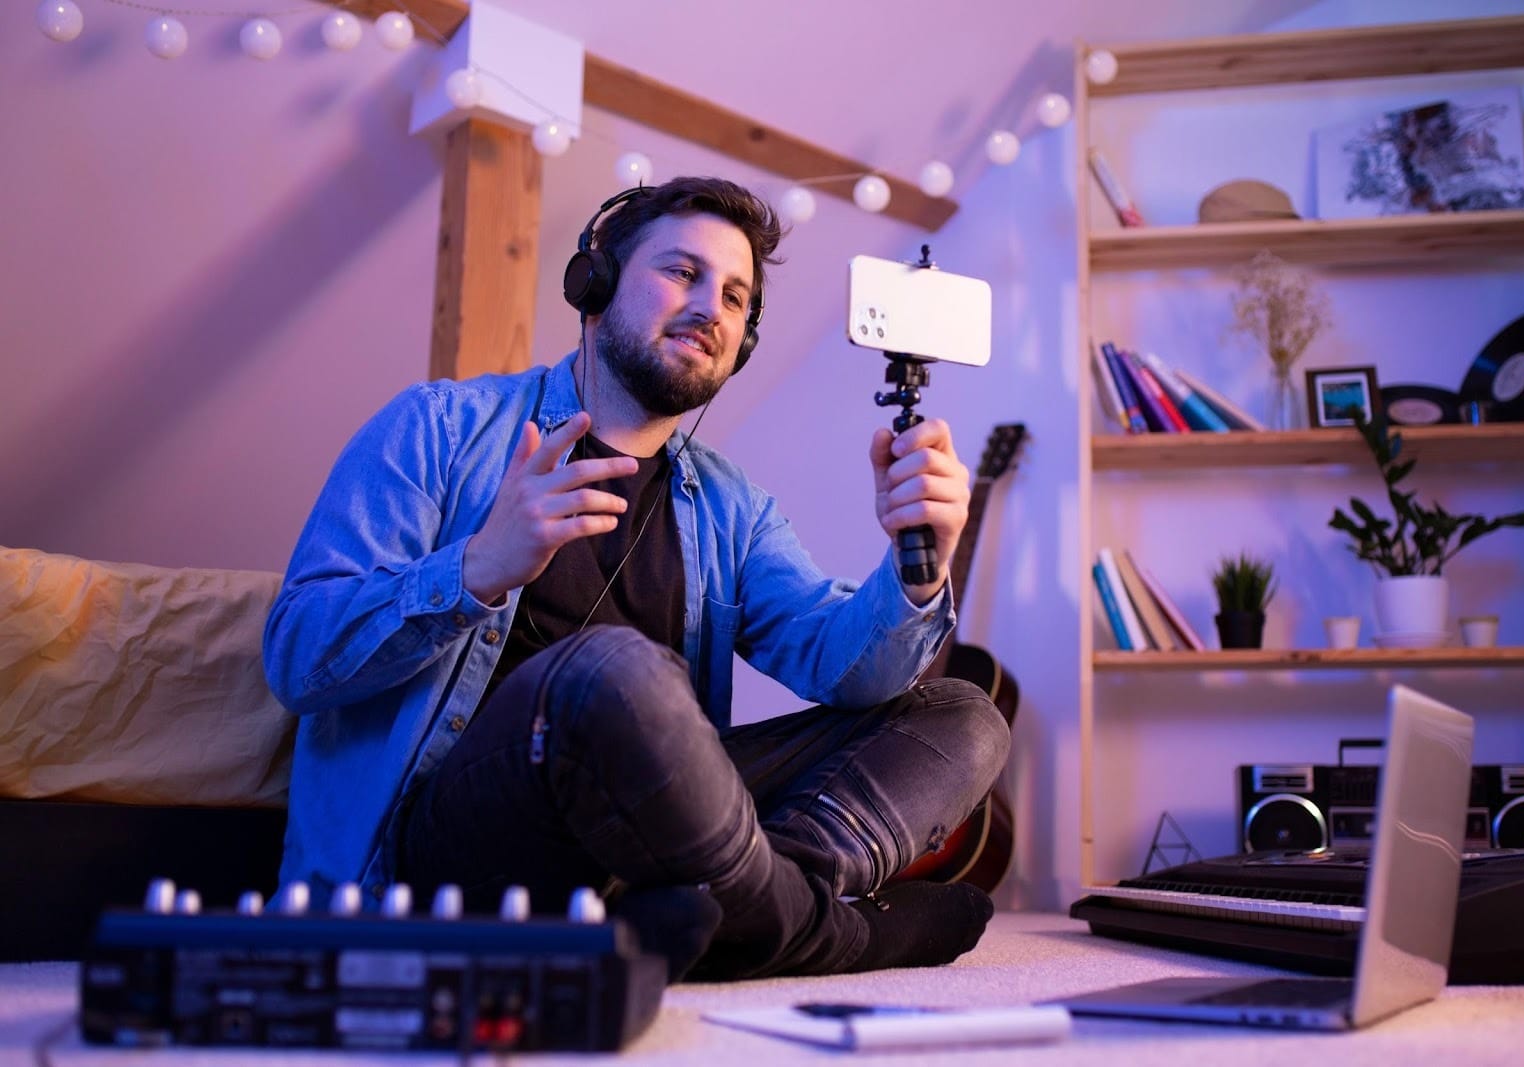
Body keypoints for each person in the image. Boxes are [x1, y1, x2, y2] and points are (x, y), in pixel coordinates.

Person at [262, 176, 1010, 981]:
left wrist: (915, 567)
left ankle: (737, 911)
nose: (711, 309)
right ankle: (822, 932)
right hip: (450, 850)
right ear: (595, 282)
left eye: (733, 296)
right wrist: (476, 569)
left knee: (965, 718)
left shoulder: (731, 506)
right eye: (682, 273)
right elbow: (298, 656)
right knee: (614, 670)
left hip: (649, 846)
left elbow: (846, 666)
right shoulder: (436, 428)